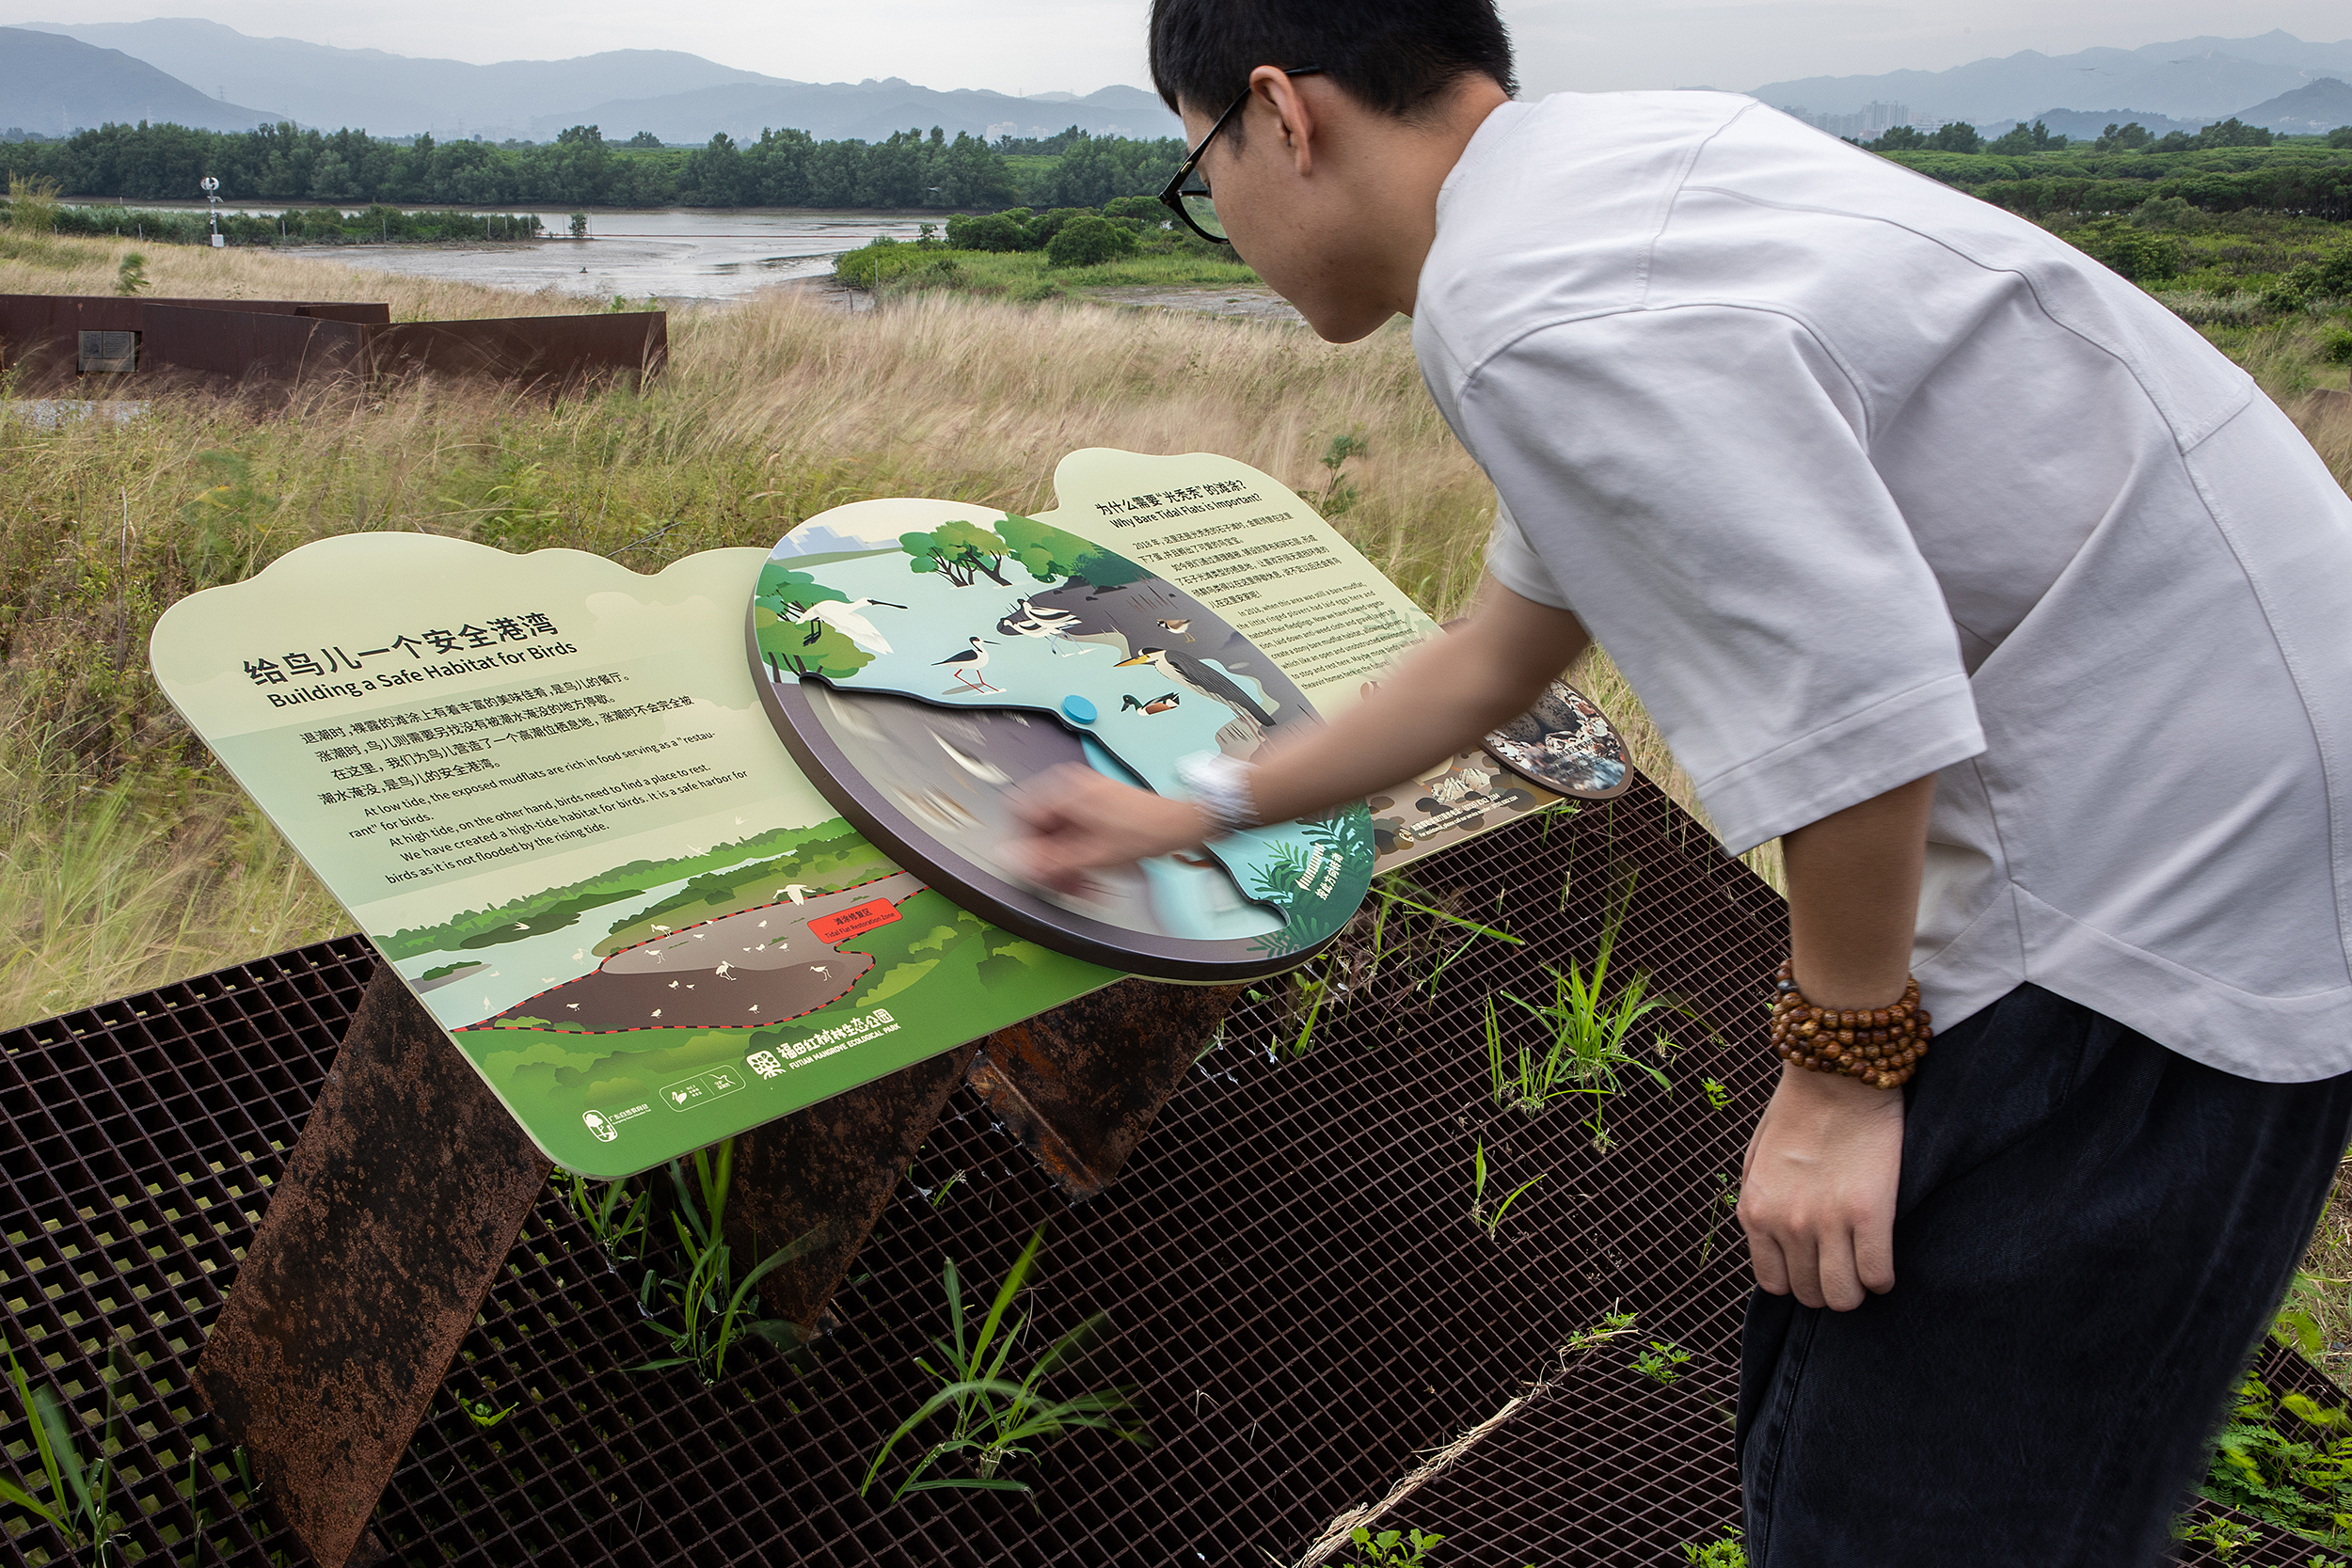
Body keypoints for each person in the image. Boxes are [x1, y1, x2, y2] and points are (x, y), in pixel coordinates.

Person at [1001, 2, 2352, 1561]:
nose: (1220, 216)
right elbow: (1501, 652)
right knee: (1898, 1417)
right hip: (2240, 793)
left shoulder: (1528, 304)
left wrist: (1841, 1075)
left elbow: (1857, 693)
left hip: (2150, 888)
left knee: (1914, 1495)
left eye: (1197, 171)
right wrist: (1197, 805)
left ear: (1280, 115)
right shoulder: (1609, 185)